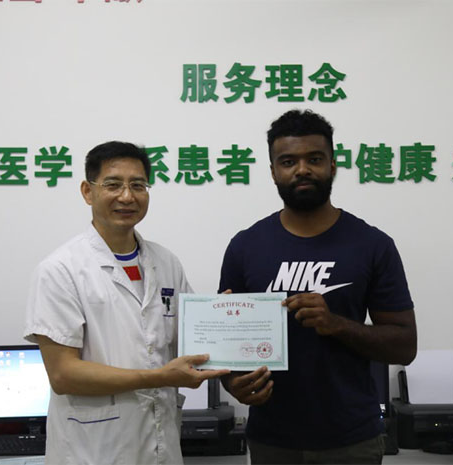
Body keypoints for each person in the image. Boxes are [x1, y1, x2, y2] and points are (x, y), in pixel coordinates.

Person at [218, 110, 417, 464]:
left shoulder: (372, 244)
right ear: (273, 171)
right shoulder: (245, 246)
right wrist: (233, 384)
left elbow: (404, 347)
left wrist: (336, 324)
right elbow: (226, 346)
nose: (302, 170)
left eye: (314, 159)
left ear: (333, 165)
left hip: (352, 440)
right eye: (288, 161)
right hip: (272, 439)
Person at [24, 141, 228, 465]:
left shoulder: (166, 262)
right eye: (113, 184)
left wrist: (224, 321)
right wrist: (161, 377)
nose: (127, 196)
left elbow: (189, 340)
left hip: (162, 447)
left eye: (138, 185)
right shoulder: (60, 270)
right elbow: (63, 375)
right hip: (92, 453)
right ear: (88, 192)